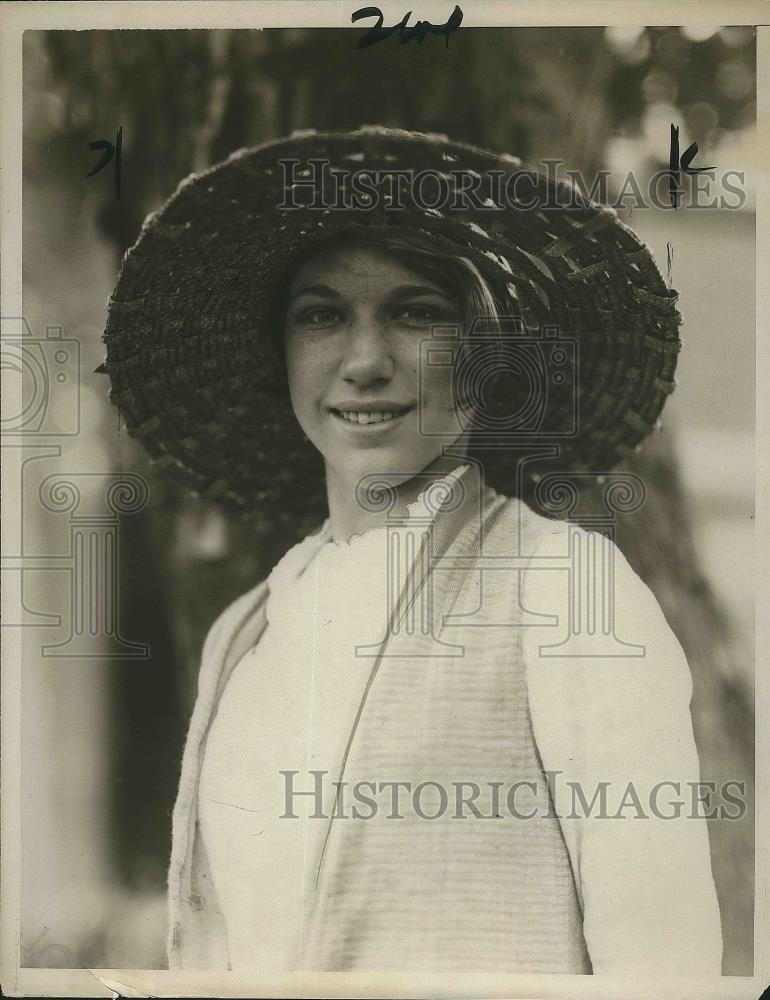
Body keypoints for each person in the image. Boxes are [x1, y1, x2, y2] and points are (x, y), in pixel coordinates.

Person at [101, 126, 723, 977]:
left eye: (417, 312)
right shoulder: (246, 634)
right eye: (319, 315)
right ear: (278, 353)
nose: (363, 362)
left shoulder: (566, 589)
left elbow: (662, 962)